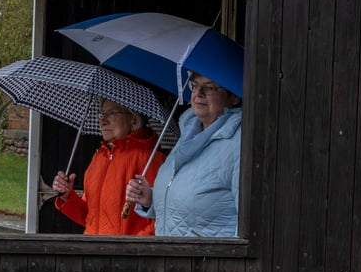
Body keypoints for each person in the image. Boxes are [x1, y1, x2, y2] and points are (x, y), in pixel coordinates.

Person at [124, 72, 241, 237]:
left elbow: (248, 221)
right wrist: (151, 198)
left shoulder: (239, 142)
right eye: (195, 85)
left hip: (211, 260)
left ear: (234, 97)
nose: (198, 93)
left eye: (209, 87)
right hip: (173, 258)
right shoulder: (188, 133)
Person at [51, 99, 165, 235]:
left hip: (125, 254)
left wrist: (132, 249)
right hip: (94, 251)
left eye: (111, 114)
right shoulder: (99, 157)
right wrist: (67, 196)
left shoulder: (150, 158)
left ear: (133, 121)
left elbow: (161, 218)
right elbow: (90, 217)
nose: (102, 121)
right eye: (102, 114)